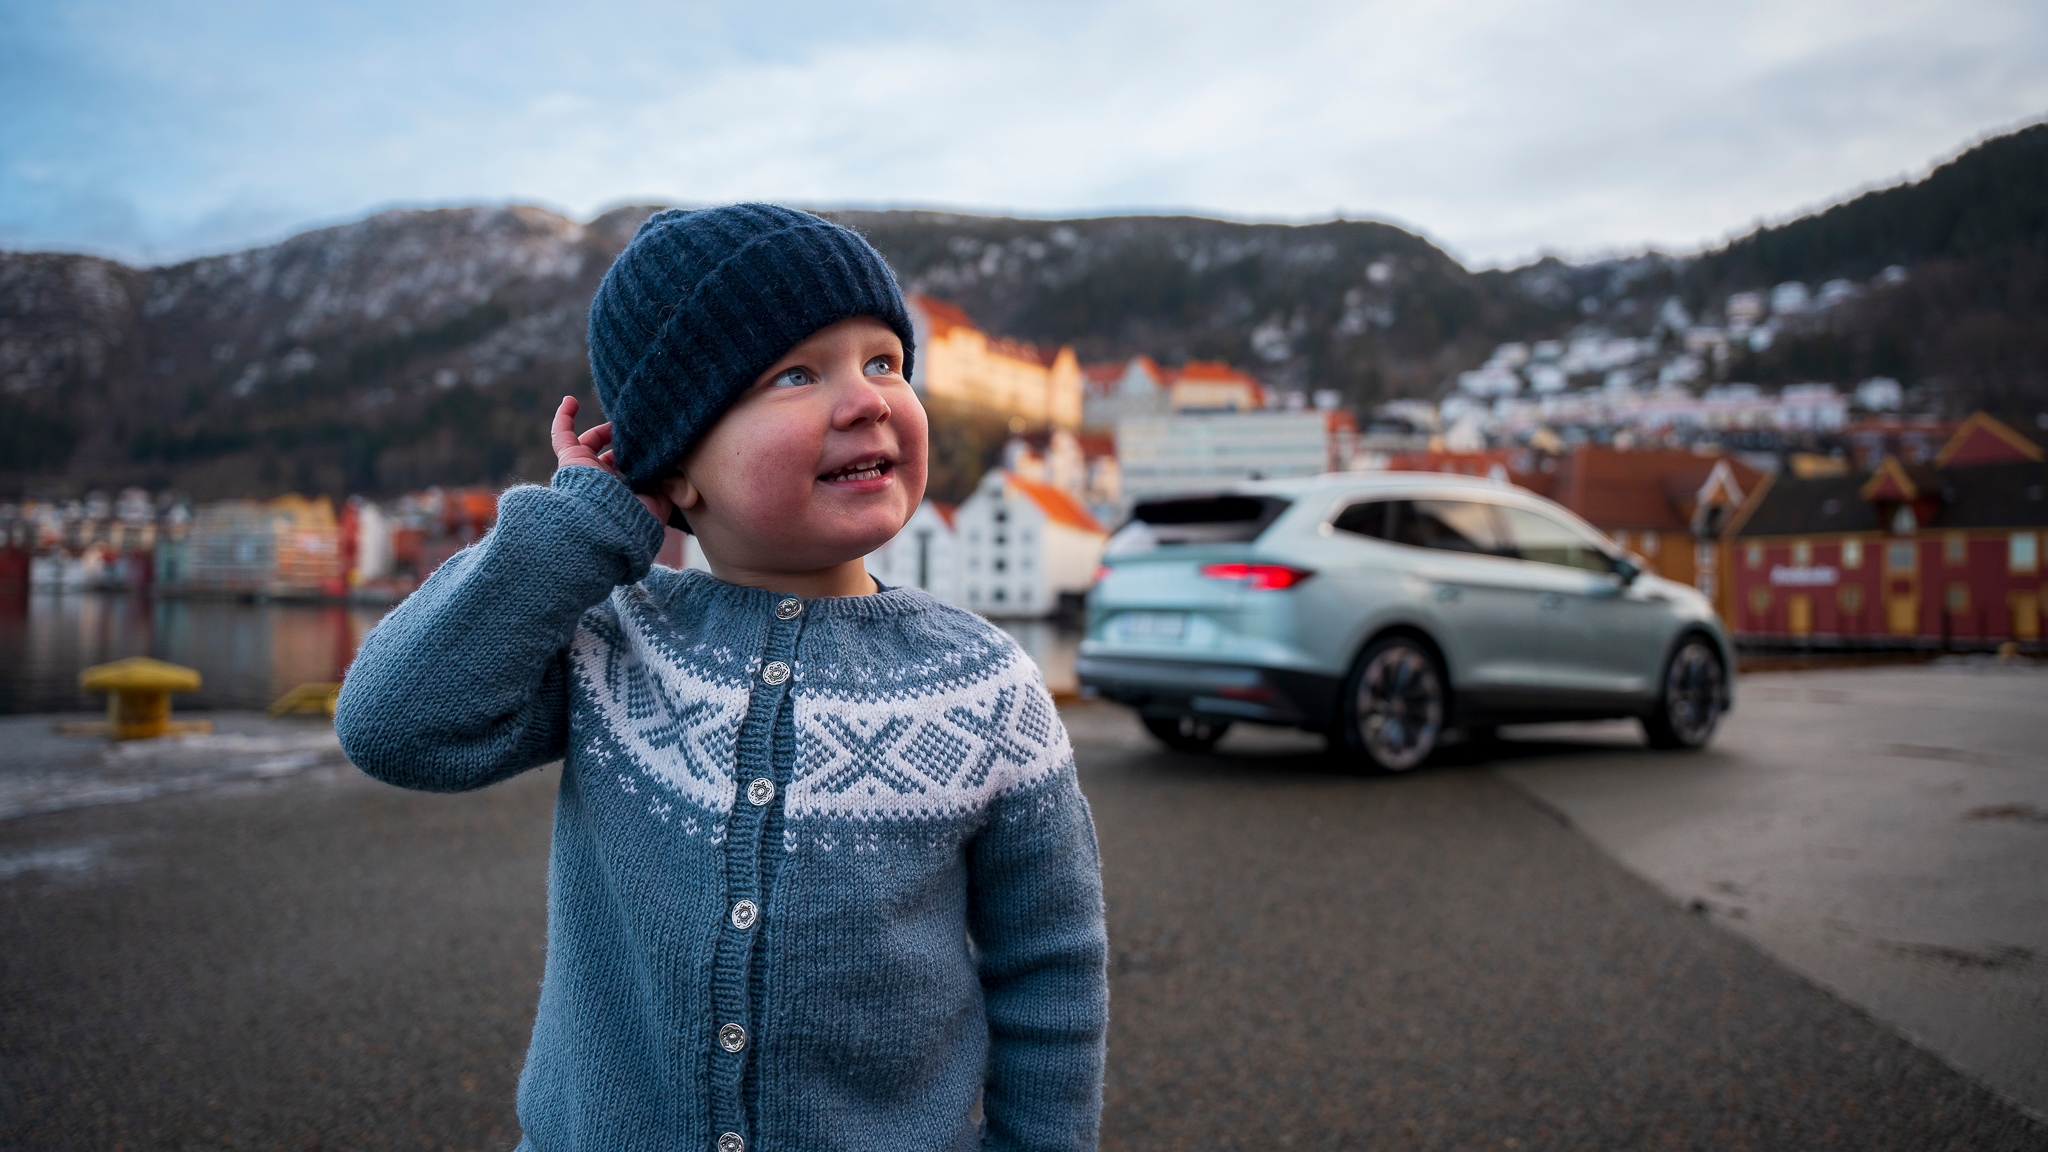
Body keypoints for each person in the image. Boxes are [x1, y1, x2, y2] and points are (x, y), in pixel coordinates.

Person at [336, 205, 1108, 1152]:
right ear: (676, 467)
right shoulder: (611, 643)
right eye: (795, 374)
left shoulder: (986, 687)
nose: (867, 400)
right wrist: (581, 528)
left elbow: (1050, 967)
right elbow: (394, 726)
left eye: (883, 362)